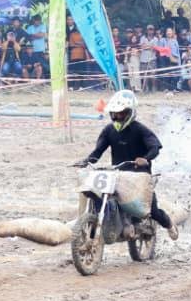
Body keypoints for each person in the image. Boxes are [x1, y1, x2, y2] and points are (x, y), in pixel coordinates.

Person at [76, 89, 180, 241]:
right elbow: (98, 151)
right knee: (102, 197)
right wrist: (87, 161)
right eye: (114, 113)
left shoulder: (139, 129)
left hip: (139, 177)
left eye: (121, 113)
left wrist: (145, 158)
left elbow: (155, 147)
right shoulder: (109, 130)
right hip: (117, 175)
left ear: (130, 112)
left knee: (152, 210)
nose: (117, 117)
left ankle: (169, 224)